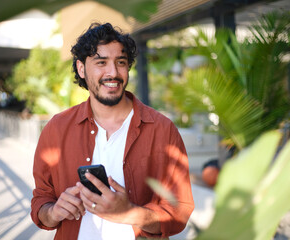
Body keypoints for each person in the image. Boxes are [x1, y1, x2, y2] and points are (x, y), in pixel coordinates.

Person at [31, 22, 194, 240]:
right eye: (101, 62)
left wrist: (129, 213)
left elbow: (178, 212)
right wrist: (54, 212)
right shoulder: (56, 129)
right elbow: (41, 201)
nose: (113, 72)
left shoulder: (162, 130)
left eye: (121, 62)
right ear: (81, 68)